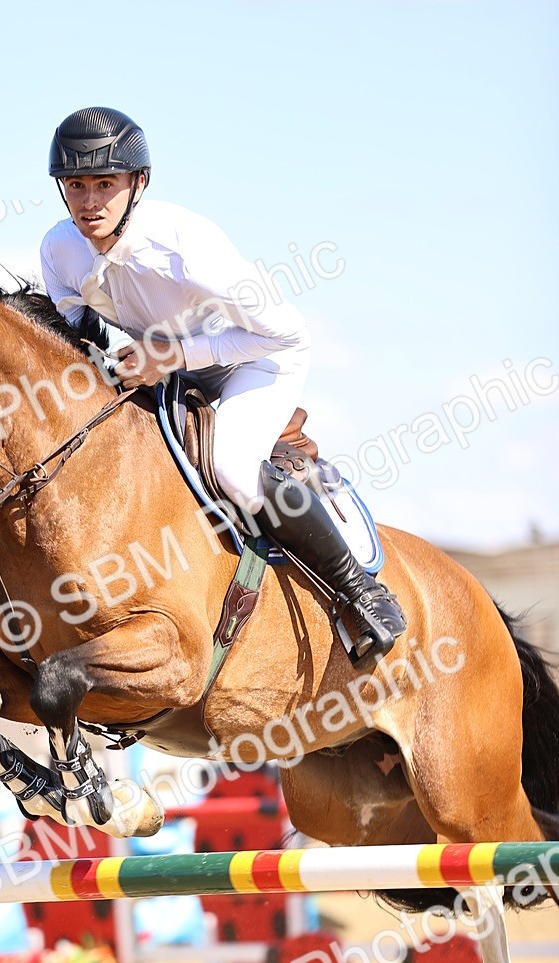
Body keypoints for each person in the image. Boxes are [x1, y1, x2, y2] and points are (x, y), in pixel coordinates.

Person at [40, 106, 406, 661]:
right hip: (173, 364)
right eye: (76, 185)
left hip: (255, 358)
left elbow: (285, 332)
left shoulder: (185, 245)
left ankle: (361, 591)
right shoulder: (59, 249)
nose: (89, 202)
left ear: (138, 183)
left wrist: (175, 354)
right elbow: (79, 329)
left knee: (234, 469)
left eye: (104, 184)